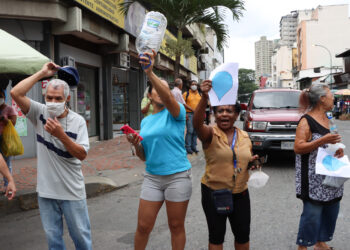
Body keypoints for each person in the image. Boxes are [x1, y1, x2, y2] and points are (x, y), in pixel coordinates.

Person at [11, 62, 92, 250]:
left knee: (81, 239)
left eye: (57, 99)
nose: (53, 103)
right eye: (49, 98)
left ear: (67, 99)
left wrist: (61, 135)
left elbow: (81, 154)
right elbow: (15, 93)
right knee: (53, 241)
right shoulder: (40, 112)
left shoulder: (77, 121)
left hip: (72, 192)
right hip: (46, 192)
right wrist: (42, 73)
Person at [127, 50, 192, 250]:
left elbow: (170, 98)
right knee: (143, 226)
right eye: (157, 88)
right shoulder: (145, 122)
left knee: (175, 225)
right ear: (149, 94)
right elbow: (144, 157)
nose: (164, 91)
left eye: (166, 89)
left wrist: (150, 73)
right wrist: (136, 144)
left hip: (177, 176)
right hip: (153, 178)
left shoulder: (176, 112)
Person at [193, 80, 261, 250]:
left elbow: (246, 158)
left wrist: (254, 162)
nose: (224, 114)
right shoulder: (209, 133)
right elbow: (196, 124)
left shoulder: (245, 136)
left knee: (243, 235)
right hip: (214, 193)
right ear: (215, 114)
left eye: (229, 111)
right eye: (220, 111)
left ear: (236, 115)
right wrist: (204, 97)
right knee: (216, 237)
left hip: (241, 193)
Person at [294, 83, 344, 250]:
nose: (333, 99)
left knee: (331, 209)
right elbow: (298, 147)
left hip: (330, 173)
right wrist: (322, 141)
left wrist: (338, 151)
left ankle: (320, 243)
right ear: (322, 99)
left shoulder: (329, 117)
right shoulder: (306, 121)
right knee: (312, 214)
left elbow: (334, 140)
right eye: (331, 96)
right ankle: (303, 246)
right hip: (312, 178)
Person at [0, 89, 17, 191]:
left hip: (5, 139)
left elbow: (13, 123)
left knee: (6, 162)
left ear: (4, 97)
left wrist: (5, 120)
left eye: (1, 96)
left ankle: (7, 184)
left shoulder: (9, 109)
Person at [183, 80, 201, 154]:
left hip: (198, 115)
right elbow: (182, 103)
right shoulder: (186, 94)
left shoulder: (199, 94)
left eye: (195, 84)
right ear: (190, 85)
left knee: (196, 131)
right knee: (190, 131)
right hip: (189, 114)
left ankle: (194, 147)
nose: (194, 86)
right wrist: (186, 113)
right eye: (193, 84)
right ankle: (188, 147)